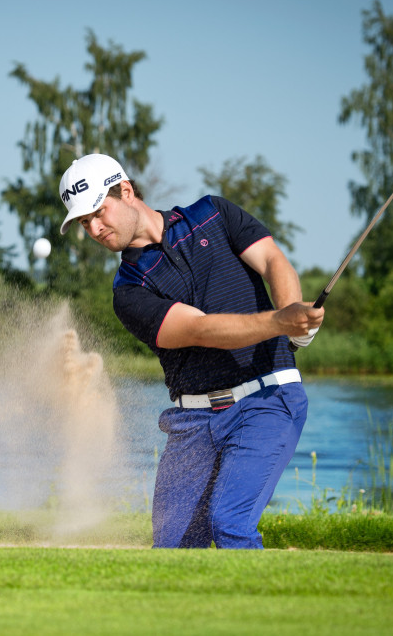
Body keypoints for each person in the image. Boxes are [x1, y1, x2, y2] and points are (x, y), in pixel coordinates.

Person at [57, 153, 324, 549]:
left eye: (99, 211)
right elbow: (200, 329)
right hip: (193, 422)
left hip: (267, 399)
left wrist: (294, 320)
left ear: (126, 191)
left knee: (229, 522)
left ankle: (262, 610)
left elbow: (272, 260)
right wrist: (279, 323)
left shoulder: (213, 214)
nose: (94, 228)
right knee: (172, 549)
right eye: (84, 222)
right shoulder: (128, 290)